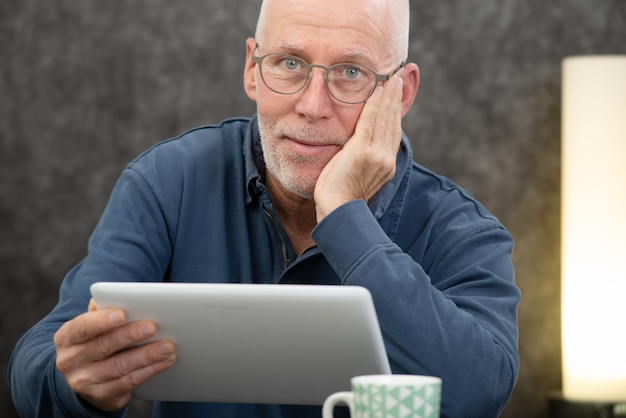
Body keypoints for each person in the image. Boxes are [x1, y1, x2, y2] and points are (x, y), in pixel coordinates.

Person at [9, 0, 520, 417]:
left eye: (349, 72)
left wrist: (344, 214)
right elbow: (36, 363)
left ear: (401, 92)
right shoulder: (168, 183)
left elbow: (479, 394)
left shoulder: (464, 231)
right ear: (253, 69)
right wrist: (79, 385)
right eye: (290, 64)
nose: (312, 104)